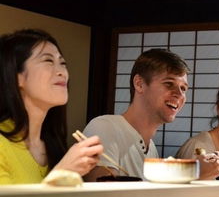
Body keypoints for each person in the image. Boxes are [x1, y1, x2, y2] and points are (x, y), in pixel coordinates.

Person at [0, 29, 103, 184]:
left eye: (63, 63)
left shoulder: (53, 144)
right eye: (48, 61)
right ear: (16, 76)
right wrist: (63, 172)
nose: (62, 72)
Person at [83, 48, 189, 180]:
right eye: (169, 84)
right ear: (139, 84)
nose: (179, 94)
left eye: (183, 88)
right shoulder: (104, 128)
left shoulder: (151, 149)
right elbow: (104, 196)